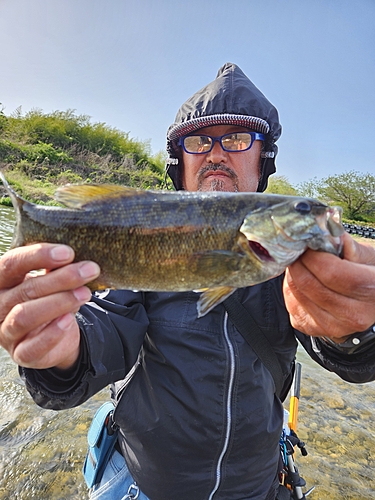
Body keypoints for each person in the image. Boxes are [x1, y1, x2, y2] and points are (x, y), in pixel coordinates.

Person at [1, 63, 375, 500]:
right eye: (199, 141)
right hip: (142, 486)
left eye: (237, 138)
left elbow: (347, 358)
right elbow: (98, 331)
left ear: (263, 158)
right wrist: (58, 356)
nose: (217, 153)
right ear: (181, 162)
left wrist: (355, 328)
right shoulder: (140, 246)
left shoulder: (296, 264)